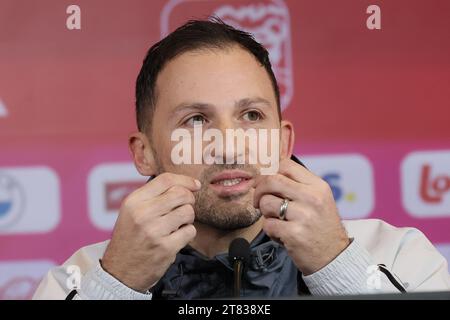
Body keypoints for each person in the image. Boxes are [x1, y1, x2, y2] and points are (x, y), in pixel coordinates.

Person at [33, 19, 450, 300]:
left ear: (283, 141)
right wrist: (118, 285)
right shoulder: (80, 279)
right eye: (196, 120)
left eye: (251, 115)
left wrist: (336, 265)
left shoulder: (397, 255)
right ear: (144, 154)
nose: (230, 145)